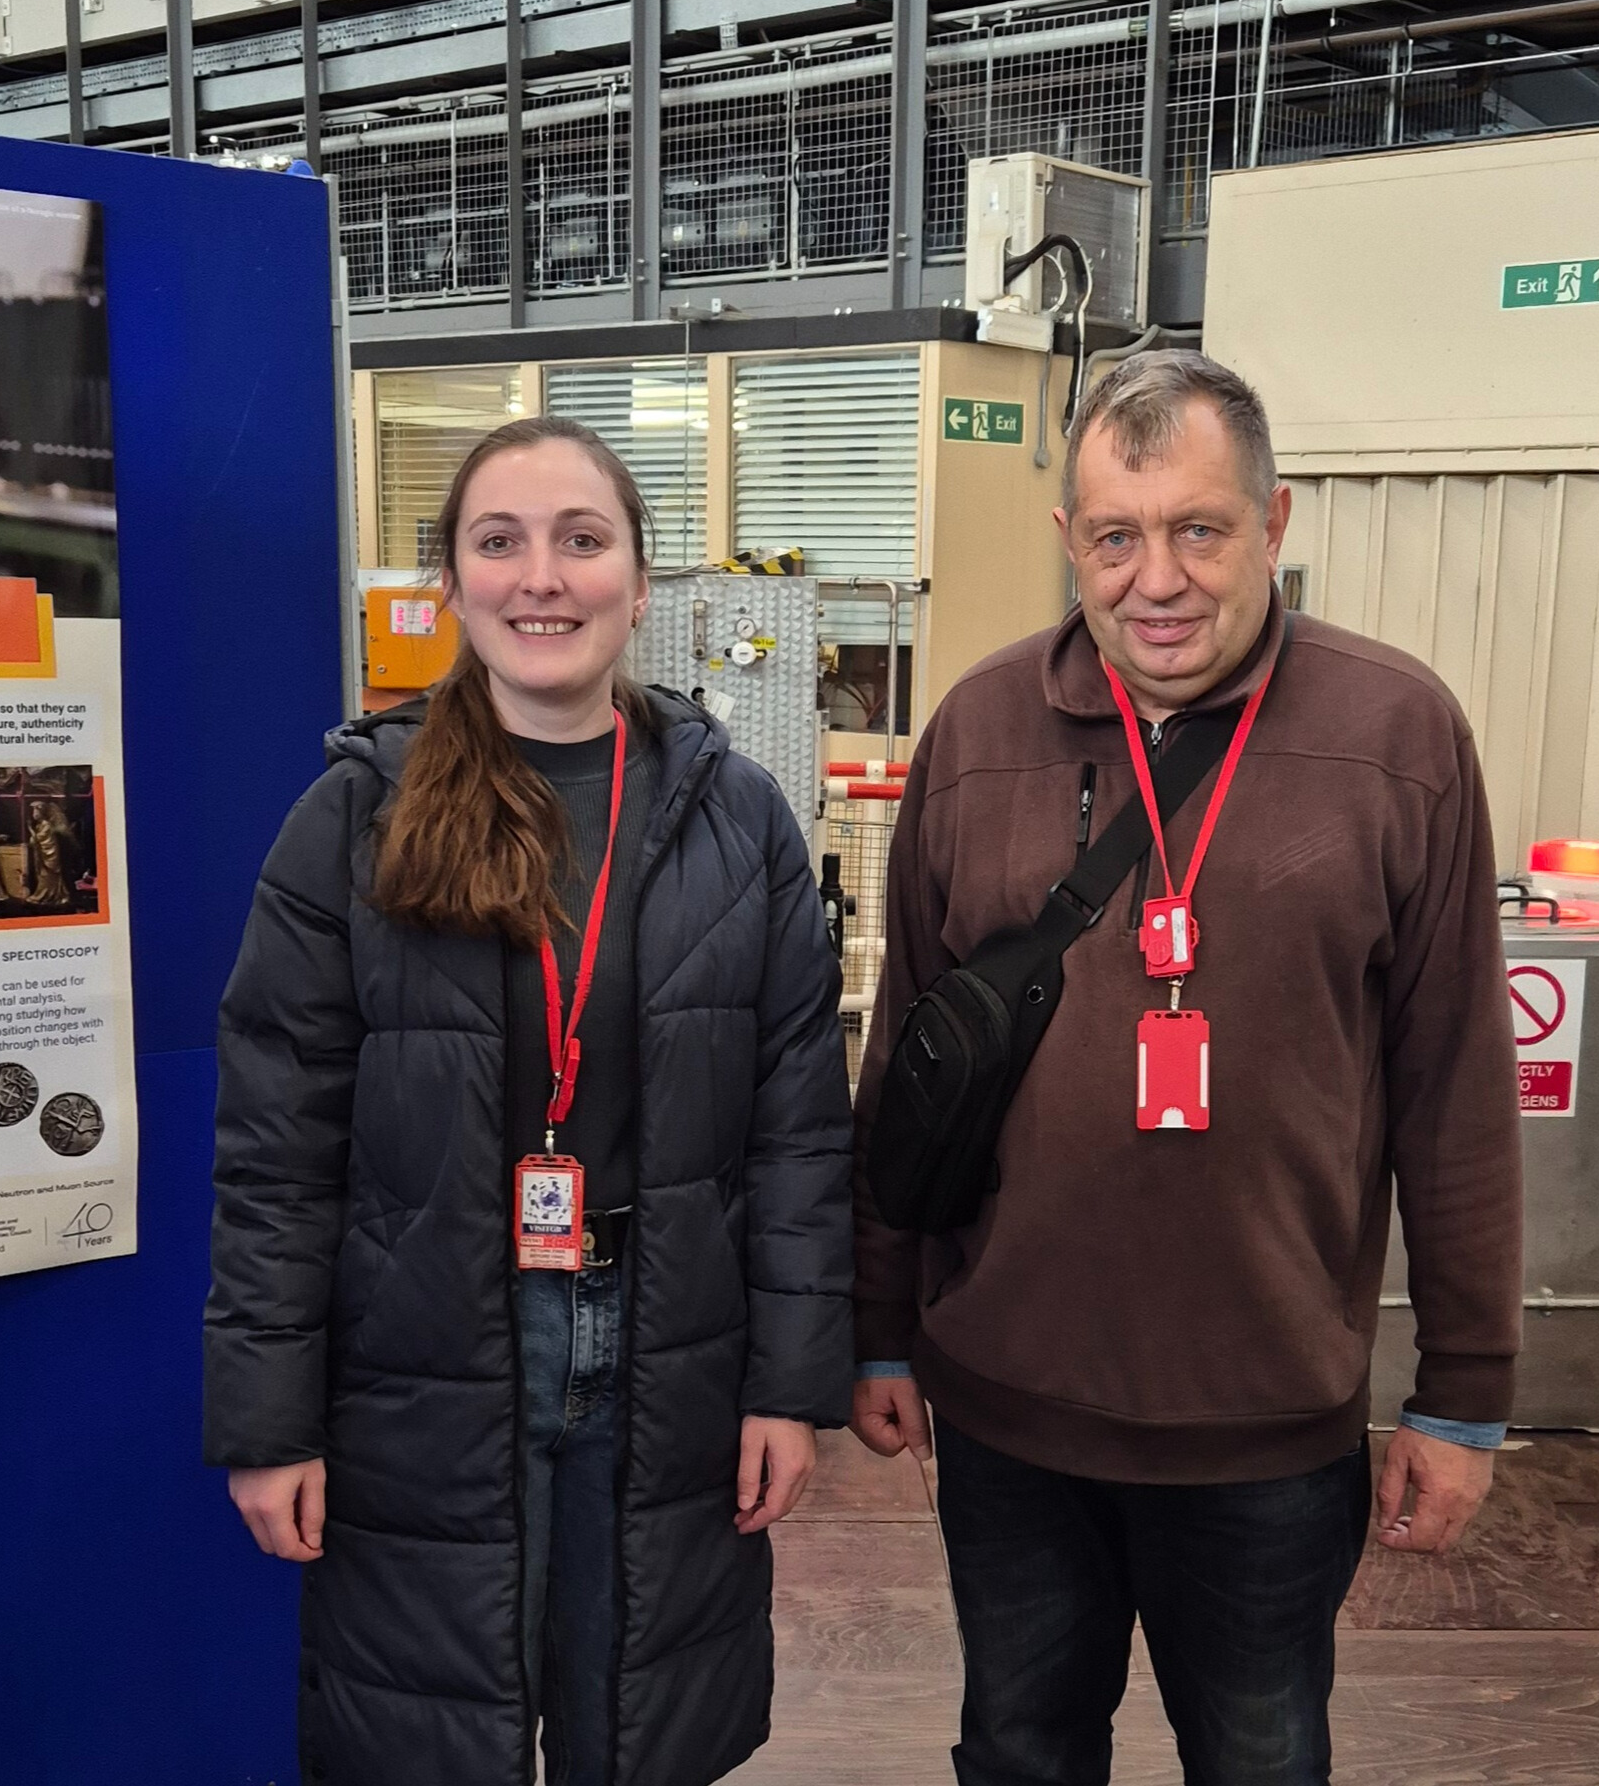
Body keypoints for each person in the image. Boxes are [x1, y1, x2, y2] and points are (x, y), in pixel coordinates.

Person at [849, 351, 1526, 1785]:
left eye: (1197, 530)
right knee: (1020, 1747)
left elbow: (1456, 1088)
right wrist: (879, 1328)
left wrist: (1460, 1393)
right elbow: (903, 1059)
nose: (1155, 580)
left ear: (1271, 521)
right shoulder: (977, 732)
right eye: (1115, 536)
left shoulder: (1396, 736)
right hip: (1006, 1407)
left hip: (1265, 1420)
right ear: (1068, 541)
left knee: (1260, 1756)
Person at [204, 415, 855, 1785]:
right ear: (450, 582)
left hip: (672, 1346)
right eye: (498, 542)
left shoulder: (738, 820)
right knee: (441, 1735)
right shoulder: (352, 819)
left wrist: (789, 1388)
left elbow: (796, 1135)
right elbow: (276, 1151)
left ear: (639, 578)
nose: (541, 577)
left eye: (581, 539)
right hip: (426, 1353)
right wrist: (269, 1421)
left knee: (638, 1731)